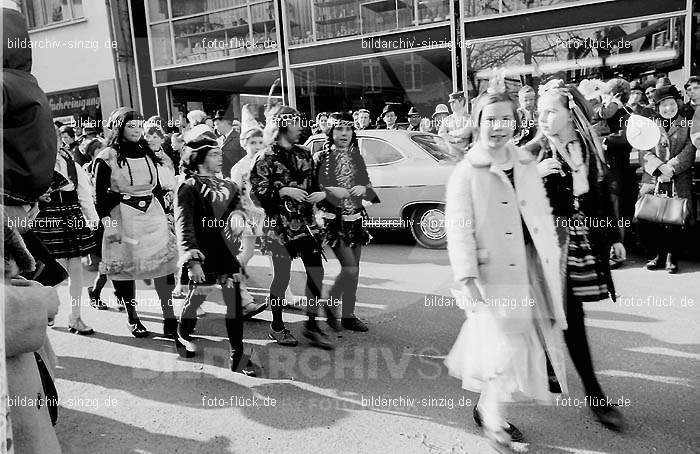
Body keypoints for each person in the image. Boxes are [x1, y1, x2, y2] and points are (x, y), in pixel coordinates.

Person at [444, 79, 567, 451]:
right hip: (491, 276)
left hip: (530, 272)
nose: (498, 127)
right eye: (490, 119)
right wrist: (468, 278)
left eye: (506, 119)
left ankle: (489, 411)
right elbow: (459, 229)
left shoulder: (525, 162)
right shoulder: (466, 171)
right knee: (501, 350)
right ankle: (495, 425)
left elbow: (539, 217)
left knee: (517, 348)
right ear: (478, 121)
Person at [526, 79, 626, 432]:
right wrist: (532, 177)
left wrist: (614, 236)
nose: (544, 118)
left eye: (552, 111)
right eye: (540, 112)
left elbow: (601, 196)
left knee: (568, 314)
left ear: (572, 113)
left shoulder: (587, 148)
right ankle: (593, 393)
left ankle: (555, 370)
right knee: (565, 316)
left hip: (581, 243)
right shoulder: (534, 151)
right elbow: (504, 194)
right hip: (546, 249)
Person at [173, 125, 257, 375]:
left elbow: (239, 209)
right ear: (198, 158)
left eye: (219, 153)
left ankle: (237, 355)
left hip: (226, 253)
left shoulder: (228, 185)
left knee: (233, 302)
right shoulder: (188, 187)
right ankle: (182, 333)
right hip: (203, 254)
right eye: (213, 154)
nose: (220, 157)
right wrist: (192, 260)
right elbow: (183, 224)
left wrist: (241, 220)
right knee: (197, 298)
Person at [250, 105, 332, 349]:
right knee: (282, 277)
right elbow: (256, 195)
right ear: (282, 126)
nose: (300, 128)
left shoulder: (305, 153)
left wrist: (320, 194)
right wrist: (283, 190)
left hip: (306, 223)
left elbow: (317, 183)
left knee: (316, 272)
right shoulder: (264, 158)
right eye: (295, 123)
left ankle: (312, 325)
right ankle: (276, 326)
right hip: (280, 225)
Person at [93, 109, 179, 338]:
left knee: (164, 265)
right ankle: (133, 317)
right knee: (125, 268)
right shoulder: (106, 156)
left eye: (139, 125)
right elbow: (99, 197)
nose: (137, 130)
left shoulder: (149, 153)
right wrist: (108, 225)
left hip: (153, 213)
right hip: (122, 216)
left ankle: (169, 317)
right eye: (131, 126)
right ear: (119, 127)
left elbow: (158, 187)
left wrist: (168, 215)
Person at [314, 112, 380, 332]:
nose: (344, 134)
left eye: (348, 129)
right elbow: (313, 190)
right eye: (339, 129)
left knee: (355, 268)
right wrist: (330, 191)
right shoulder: (321, 157)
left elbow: (368, 189)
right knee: (349, 268)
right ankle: (331, 303)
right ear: (330, 132)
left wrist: (365, 189)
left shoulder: (356, 157)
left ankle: (349, 315)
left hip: (355, 219)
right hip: (332, 221)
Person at [33, 146, 100, 335]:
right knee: (54, 272)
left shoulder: (72, 165)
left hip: (72, 218)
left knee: (76, 271)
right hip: (47, 218)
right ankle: (48, 308)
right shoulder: (34, 165)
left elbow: (85, 196)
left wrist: (94, 223)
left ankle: (75, 317)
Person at [639, 85, 695, 274]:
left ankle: (672, 256)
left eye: (671, 104)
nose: (668, 108)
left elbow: (690, 148)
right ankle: (658, 255)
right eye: (664, 105)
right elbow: (643, 150)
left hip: (678, 178)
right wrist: (659, 168)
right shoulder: (651, 125)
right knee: (655, 218)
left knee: (675, 218)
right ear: (657, 107)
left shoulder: (686, 123)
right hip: (656, 179)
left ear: (677, 104)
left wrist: (670, 167)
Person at [229, 110, 268, 319]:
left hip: (266, 213)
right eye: (253, 142)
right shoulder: (239, 167)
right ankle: (235, 279)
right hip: (249, 213)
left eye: (260, 141)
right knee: (248, 252)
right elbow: (236, 194)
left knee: (275, 254)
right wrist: (250, 210)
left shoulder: (266, 162)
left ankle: (284, 293)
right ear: (244, 144)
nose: (257, 146)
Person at [439, 91, 473, 158]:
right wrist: (454, 140)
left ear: (462, 102)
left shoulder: (470, 118)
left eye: (454, 102)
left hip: (466, 155)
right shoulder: (447, 119)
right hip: (450, 155)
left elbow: (466, 133)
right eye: (450, 103)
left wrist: (450, 133)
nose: (451, 104)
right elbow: (441, 134)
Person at [213, 110, 245, 177]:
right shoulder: (218, 140)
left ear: (224, 123)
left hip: (236, 177)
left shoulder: (240, 138)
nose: (215, 128)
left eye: (217, 124)